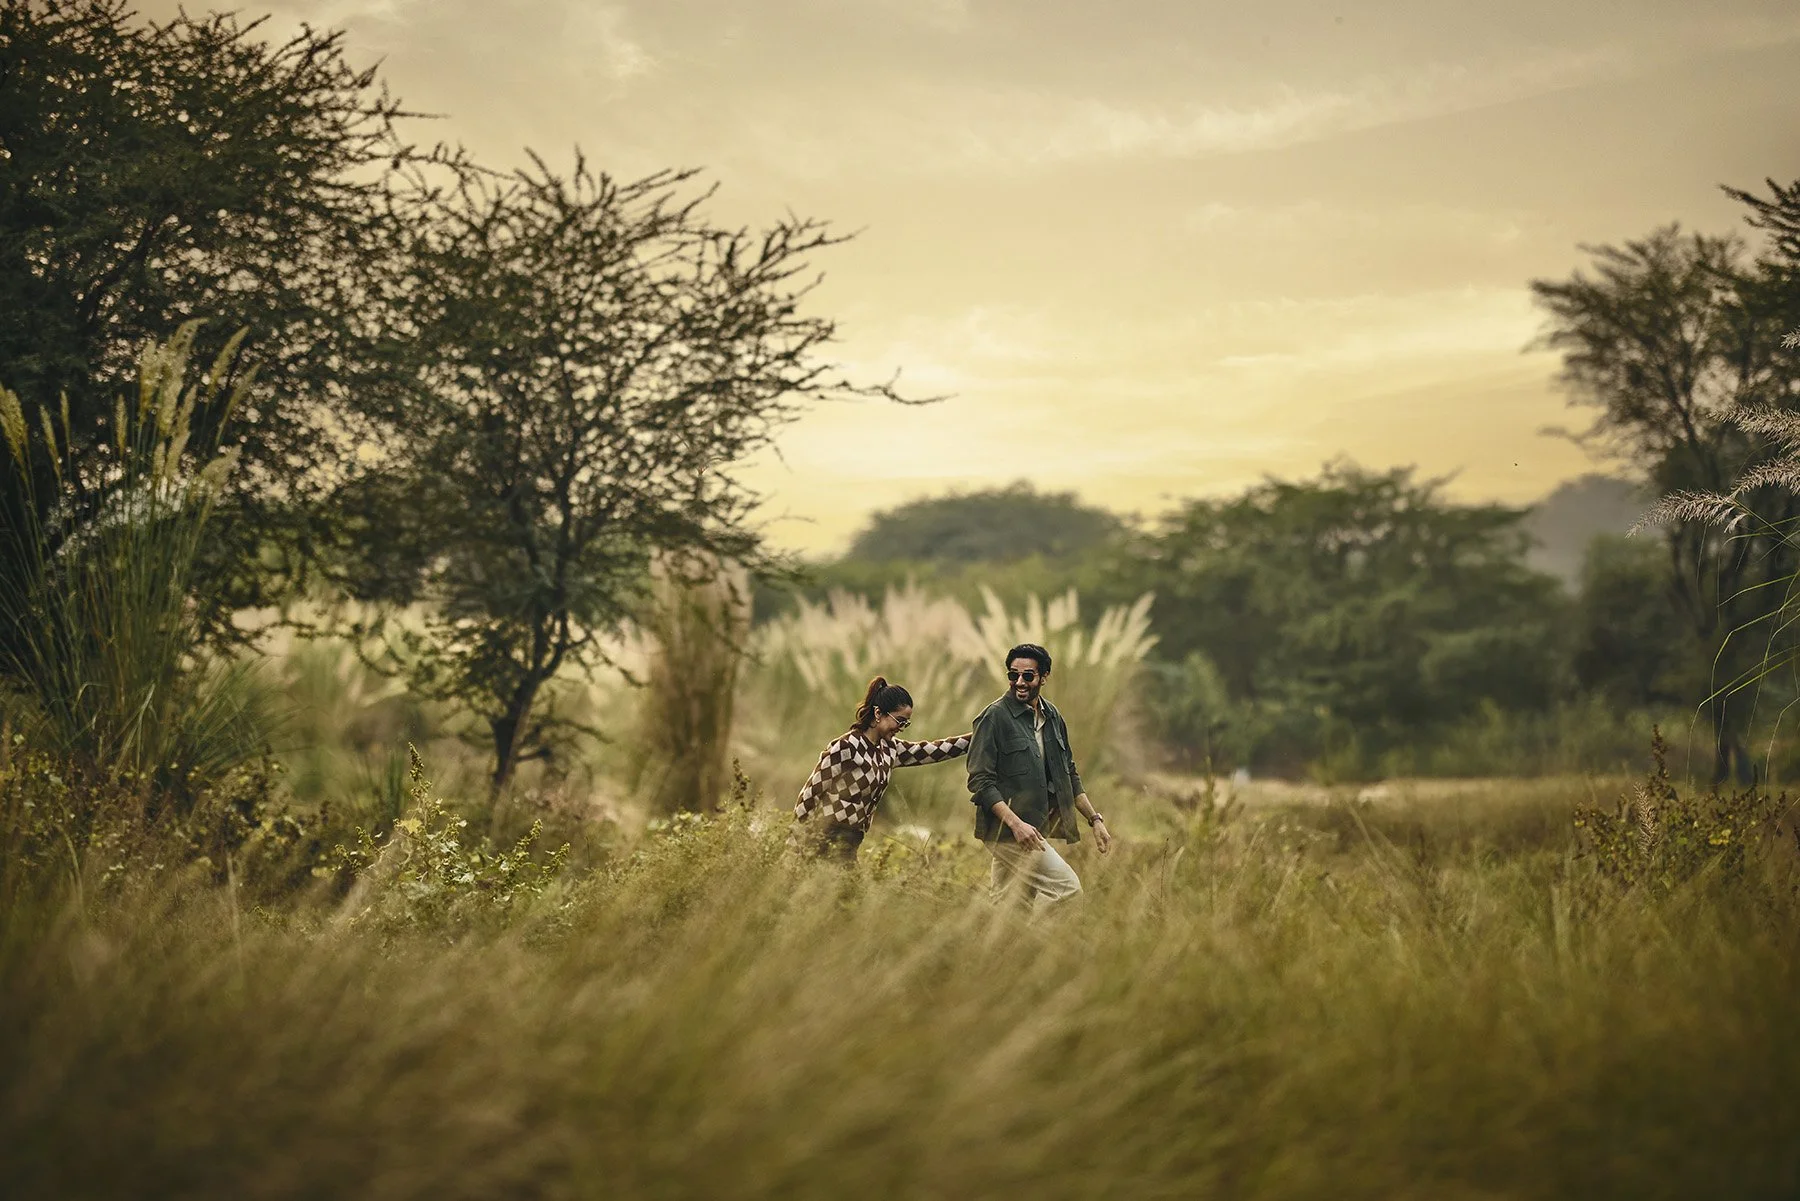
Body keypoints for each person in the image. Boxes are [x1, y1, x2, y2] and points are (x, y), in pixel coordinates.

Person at [966, 642, 1111, 905]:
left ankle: (997, 944)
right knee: (1069, 892)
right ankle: (1045, 944)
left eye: (1028, 676)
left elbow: (1068, 773)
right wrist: (1016, 824)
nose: (1019, 682)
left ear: (1044, 677)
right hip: (1008, 832)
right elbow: (981, 782)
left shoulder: (1053, 717)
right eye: (1013, 675)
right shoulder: (993, 718)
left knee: (1010, 908)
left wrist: (1095, 819)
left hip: (1034, 828)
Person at [791, 676, 972, 861]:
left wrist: (976, 737)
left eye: (906, 724)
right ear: (878, 714)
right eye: (900, 721)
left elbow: (933, 751)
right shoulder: (846, 747)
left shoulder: (890, 749)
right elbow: (810, 795)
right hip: (826, 839)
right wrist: (794, 847)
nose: (901, 728)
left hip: (852, 842)